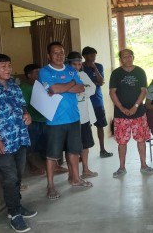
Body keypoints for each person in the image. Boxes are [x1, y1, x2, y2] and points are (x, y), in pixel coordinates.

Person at [0, 54, 37, 232]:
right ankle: (14, 214)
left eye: (9, 65)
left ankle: (17, 206)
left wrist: (26, 114)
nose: (8, 69)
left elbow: (22, 106)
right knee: (10, 177)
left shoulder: (14, 85)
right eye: (3, 66)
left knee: (18, 175)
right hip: (2, 141)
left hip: (19, 136)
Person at [39, 42, 91, 200]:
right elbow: (53, 89)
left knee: (74, 151)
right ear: (49, 56)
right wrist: (72, 83)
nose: (59, 55)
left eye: (61, 52)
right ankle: (50, 185)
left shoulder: (70, 69)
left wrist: (64, 86)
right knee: (53, 155)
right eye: (55, 53)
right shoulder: (44, 71)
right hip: (54, 120)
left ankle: (75, 178)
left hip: (74, 117)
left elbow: (81, 88)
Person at [109, 49, 153, 178]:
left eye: (130, 56)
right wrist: (122, 108)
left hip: (138, 113)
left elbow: (144, 91)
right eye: (124, 57)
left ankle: (144, 165)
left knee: (141, 139)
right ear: (120, 60)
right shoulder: (116, 73)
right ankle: (122, 168)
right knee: (122, 142)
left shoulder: (140, 71)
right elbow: (112, 92)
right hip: (120, 114)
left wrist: (135, 106)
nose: (128, 58)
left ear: (133, 57)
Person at [66, 51, 98, 179]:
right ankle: (72, 173)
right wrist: (80, 88)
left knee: (85, 145)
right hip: (69, 117)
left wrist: (80, 89)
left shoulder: (83, 74)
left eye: (79, 64)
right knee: (70, 147)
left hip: (84, 116)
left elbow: (92, 89)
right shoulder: (64, 76)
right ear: (69, 64)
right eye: (74, 64)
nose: (77, 67)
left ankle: (85, 169)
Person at [82, 46, 113, 158]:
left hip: (97, 101)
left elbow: (100, 82)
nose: (93, 57)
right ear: (84, 56)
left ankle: (102, 149)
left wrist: (94, 68)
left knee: (100, 125)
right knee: (85, 127)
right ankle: (83, 154)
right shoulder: (80, 67)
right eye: (91, 55)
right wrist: (92, 83)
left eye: (94, 55)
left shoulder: (98, 66)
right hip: (84, 102)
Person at [20, 64, 47, 175]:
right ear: (29, 75)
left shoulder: (41, 85)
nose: (39, 74)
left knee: (46, 144)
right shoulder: (24, 87)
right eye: (36, 72)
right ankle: (32, 167)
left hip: (44, 119)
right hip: (33, 121)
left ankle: (52, 166)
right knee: (30, 146)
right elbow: (23, 105)